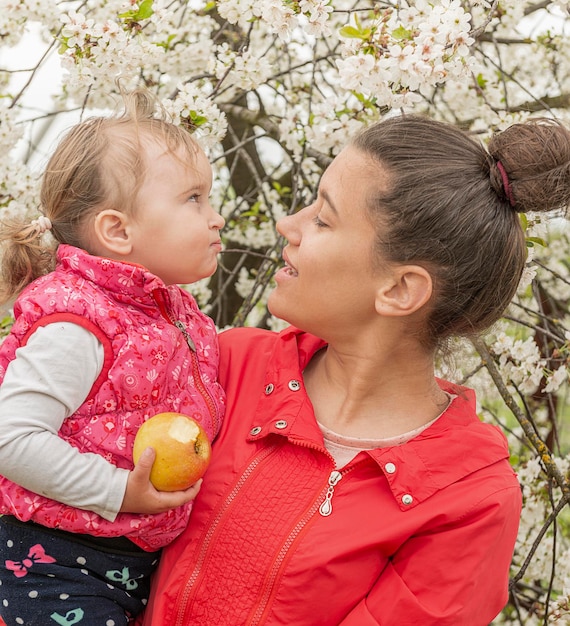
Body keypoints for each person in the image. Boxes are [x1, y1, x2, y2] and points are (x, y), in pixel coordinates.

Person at [142, 113, 570, 626]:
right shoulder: (223, 365)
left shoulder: (470, 500)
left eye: (323, 219)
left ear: (400, 290)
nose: (288, 225)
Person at [0, 88, 226, 625]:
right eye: (194, 199)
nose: (215, 218)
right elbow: (10, 437)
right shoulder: (79, 322)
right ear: (118, 230)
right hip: (52, 561)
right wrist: (119, 490)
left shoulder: (173, 315)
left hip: (125, 558)